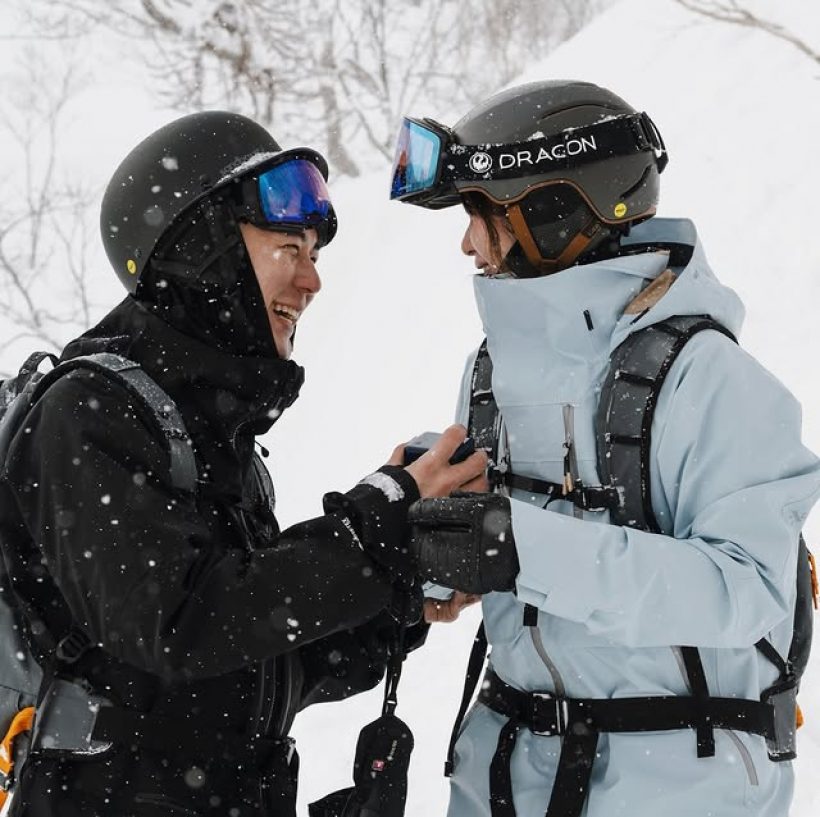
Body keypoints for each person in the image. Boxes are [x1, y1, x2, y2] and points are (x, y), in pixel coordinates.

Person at [0, 110, 486, 816]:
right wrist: (369, 528)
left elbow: (258, 662)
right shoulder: (89, 411)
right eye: (290, 247)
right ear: (206, 251)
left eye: (313, 253)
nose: (311, 280)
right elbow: (181, 624)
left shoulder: (208, 438)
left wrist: (395, 587)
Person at [390, 80, 820, 817]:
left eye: (478, 216)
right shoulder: (491, 371)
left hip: (677, 791)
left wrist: (521, 549)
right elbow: (511, 573)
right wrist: (434, 549)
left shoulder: (709, 379)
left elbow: (747, 588)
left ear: (551, 215)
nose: (466, 243)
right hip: (502, 779)